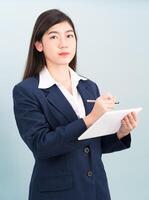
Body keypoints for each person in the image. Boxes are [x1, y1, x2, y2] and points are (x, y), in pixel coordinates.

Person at [13, 9, 138, 200]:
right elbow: (42, 146)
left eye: (69, 35)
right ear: (39, 45)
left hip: (96, 190)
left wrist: (121, 132)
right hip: (56, 194)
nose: (64, 43)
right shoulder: (27, 91)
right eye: (54, 37)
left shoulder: (89, 86)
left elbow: (92, 145)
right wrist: (91, 119)